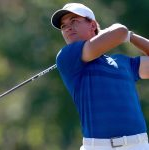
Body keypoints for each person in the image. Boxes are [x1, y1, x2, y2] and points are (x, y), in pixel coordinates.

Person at [51, 3, 149, 150]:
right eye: (63, 26)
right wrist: (121, 34)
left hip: (138, 145)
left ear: (92, 25)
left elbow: (120, 32)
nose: (68, 28)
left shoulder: (123, 63)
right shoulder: (67, 56)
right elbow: (120, 30)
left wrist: (130, 36)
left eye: (74, 21)